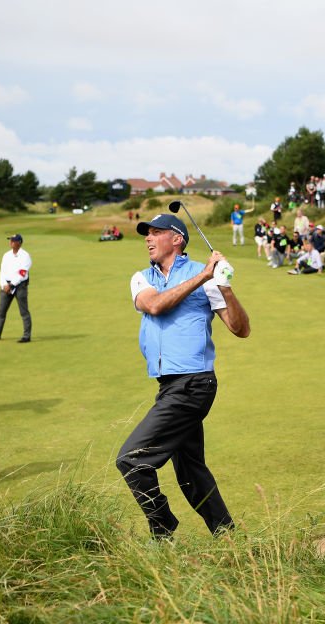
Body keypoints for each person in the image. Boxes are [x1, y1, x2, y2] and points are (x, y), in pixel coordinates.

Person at [117, 212, 250, 540]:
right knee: (191, 472)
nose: (148, 238)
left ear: (177, 239)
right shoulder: (142, 278)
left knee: (132, 459)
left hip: (195, 383)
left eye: (155, 233)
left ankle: (162, 529)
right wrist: (205, 275)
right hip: (169, 385)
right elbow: (156, 306)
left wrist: (225, 287)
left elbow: (240, 329)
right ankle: (230, 538)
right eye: (146, 234)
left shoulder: (205, 278)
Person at [0, 234, 32, 343]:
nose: (10, 242)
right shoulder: (6, 255)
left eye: (13, 240)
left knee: (24, 311)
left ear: (19, 242)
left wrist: (11, 285)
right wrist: (3, 285)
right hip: (6, 287)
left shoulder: (25, 256)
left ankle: (27, 335)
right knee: (1, 311)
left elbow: (22, 273)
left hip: (20, 286)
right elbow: (2, 271)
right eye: (10, 240)